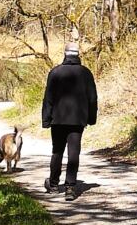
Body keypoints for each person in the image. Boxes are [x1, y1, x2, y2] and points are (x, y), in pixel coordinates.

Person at [41, 43, 97, 198]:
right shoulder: (86, 73)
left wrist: (46, 120)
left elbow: (48, 98)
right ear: (78, 54)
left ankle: (53, 185)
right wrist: (91, 118)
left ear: (65, 54)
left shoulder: (55, 72)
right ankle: (70, 188)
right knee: (74, 152)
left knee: (57, 151)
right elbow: (92, 98)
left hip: (58, 119)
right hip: (78, 120)